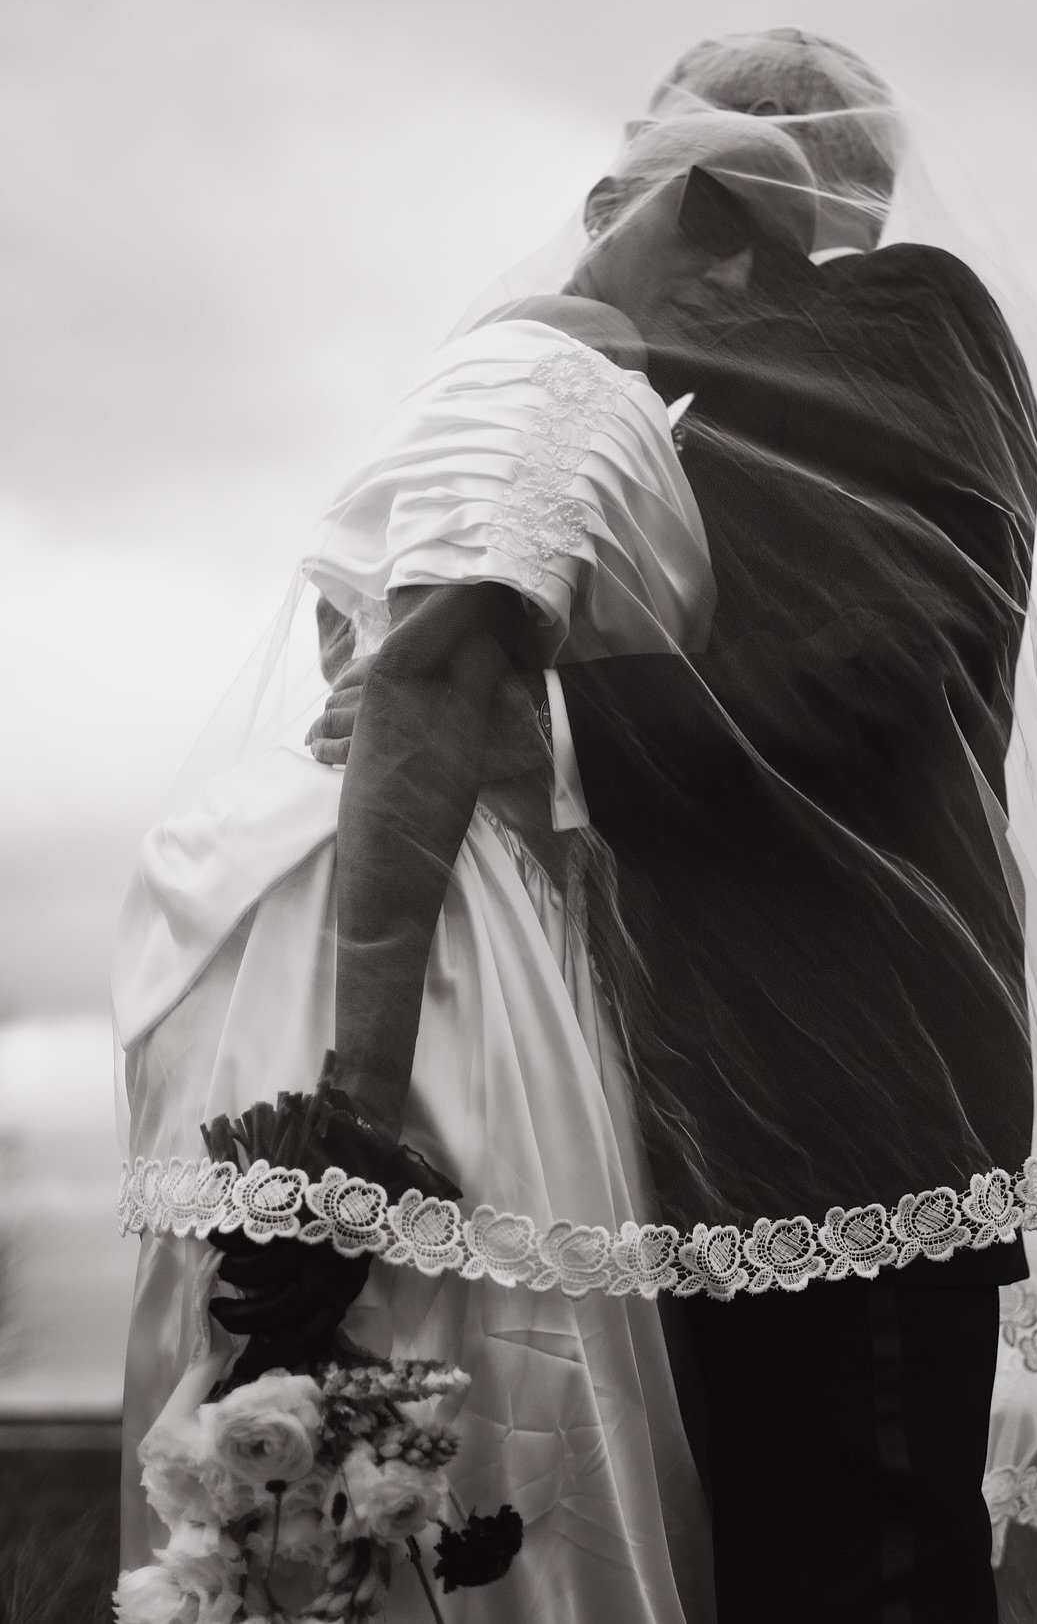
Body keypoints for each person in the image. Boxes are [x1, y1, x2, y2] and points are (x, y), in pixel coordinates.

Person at [312, 29, 1037, 1620]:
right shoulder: (618, 375)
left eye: (701, 187)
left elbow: (858, 664)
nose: (661, 224)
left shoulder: (914, 325)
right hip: (633, 1091)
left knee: (853, 1572)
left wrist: (532, 720)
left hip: (833, 1075)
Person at [112, 110, 819, 1624]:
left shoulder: (602, 397)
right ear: (616, 201)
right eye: (714, 224)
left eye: (787, 254)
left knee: (437, 1431)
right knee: (421, 1384)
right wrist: (356, 1103)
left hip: (495, 920)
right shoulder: (546, 379)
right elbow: (425, 677)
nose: (742, 274)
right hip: (428, 946)